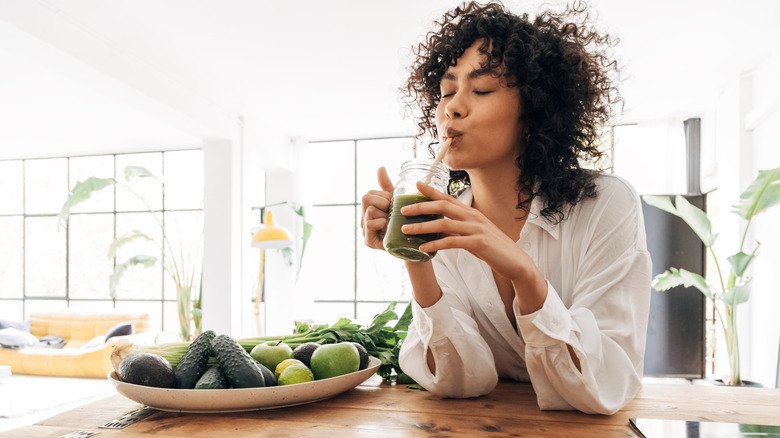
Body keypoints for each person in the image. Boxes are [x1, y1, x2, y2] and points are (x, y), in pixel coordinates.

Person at [360, 0, 651, 414]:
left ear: (534, 108)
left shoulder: (605, 204)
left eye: (481, 89)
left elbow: (606, 384)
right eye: (446, 91)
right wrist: (415, 253)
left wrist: (524, 273)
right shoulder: (442, 217)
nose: (452, 108)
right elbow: (459, 382)